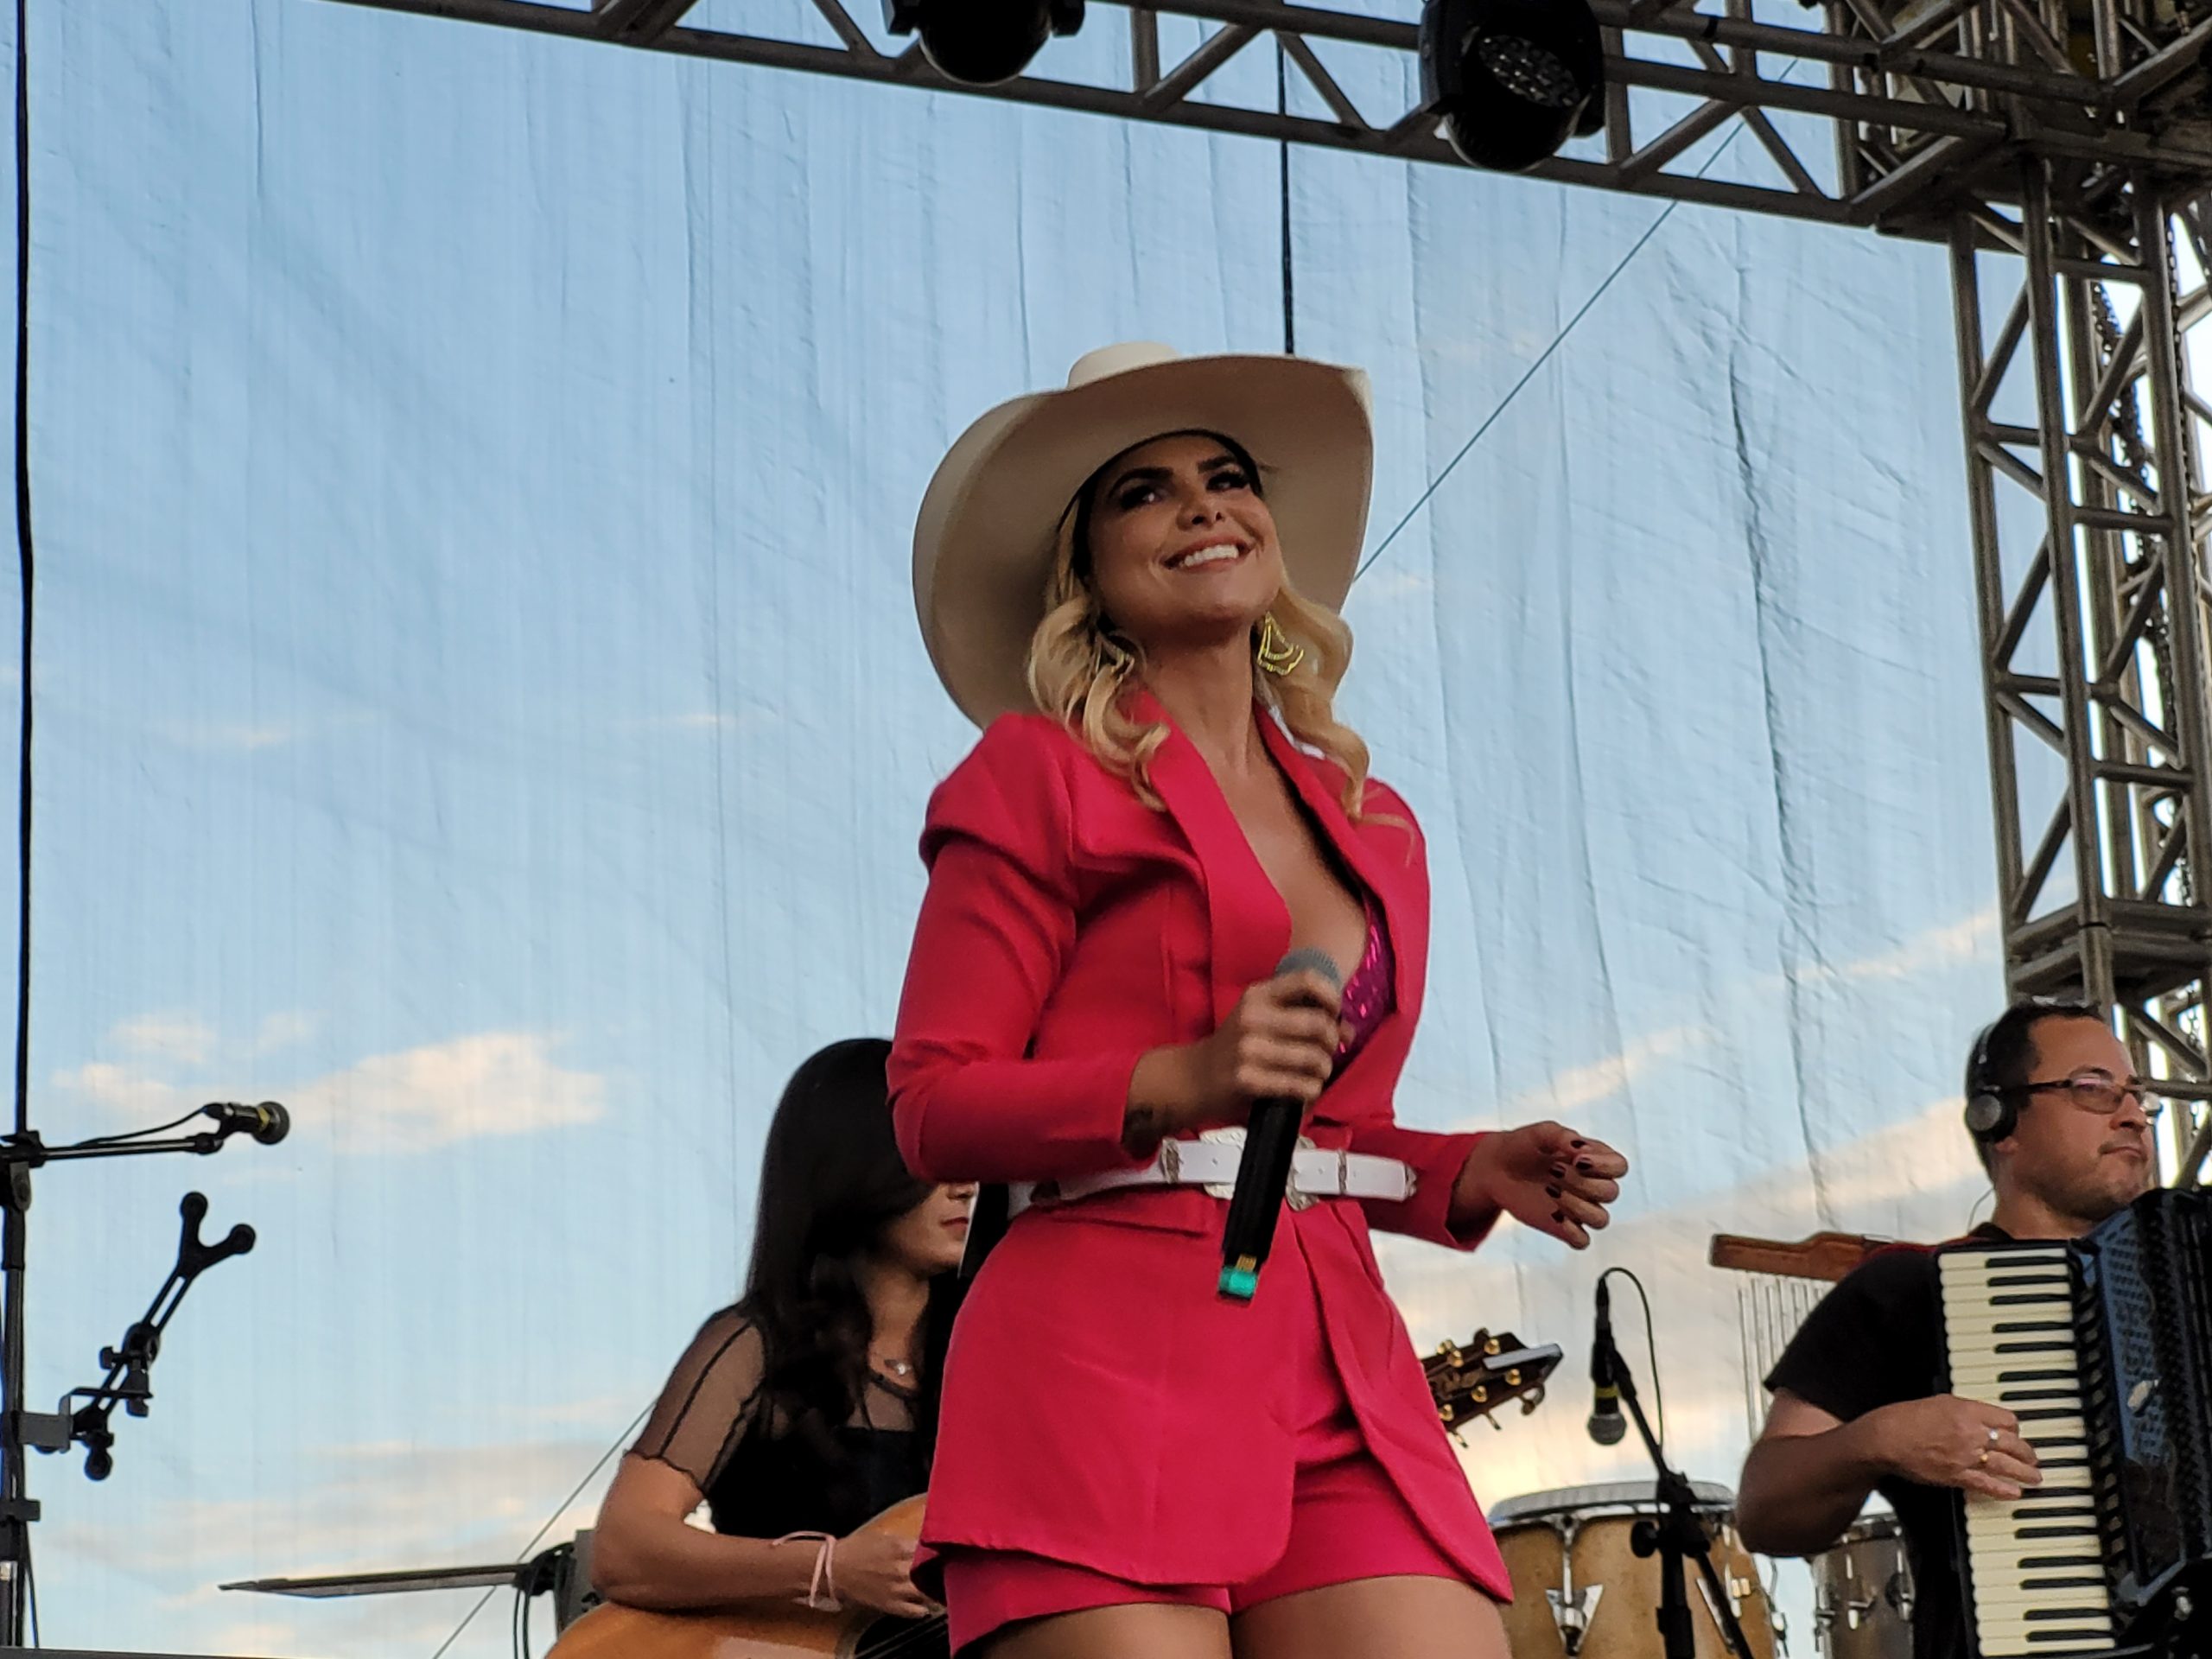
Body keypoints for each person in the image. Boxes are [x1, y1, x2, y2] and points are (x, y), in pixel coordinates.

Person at [889, 341, 1631, 1659]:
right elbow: (933, 1108)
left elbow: (1311, 1134)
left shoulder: (1371, 819)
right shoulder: (1035, 774)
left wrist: (1464, 1170)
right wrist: (1178, 1077)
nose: (1203, 505)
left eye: (1228, 478)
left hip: (1338, 1362)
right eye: (1145, 491)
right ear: (1085, 572)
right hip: (1096, 1361)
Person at [1736, 998, 2158, 1659]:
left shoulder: (2181, 1280)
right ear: (2000, 1121)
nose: (2131, 1114)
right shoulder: (1907, 1290)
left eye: (2136, 1094)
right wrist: (1876, 1441)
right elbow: (1764, 1510)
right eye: (2092, 1088)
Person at [589, 1038, 975, 1626]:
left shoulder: (993, 1351)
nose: (966, 1185)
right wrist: (830, 1569)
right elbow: (624, 1547)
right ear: (855, 1164)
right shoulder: (756, 1348)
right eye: (930, 1156)